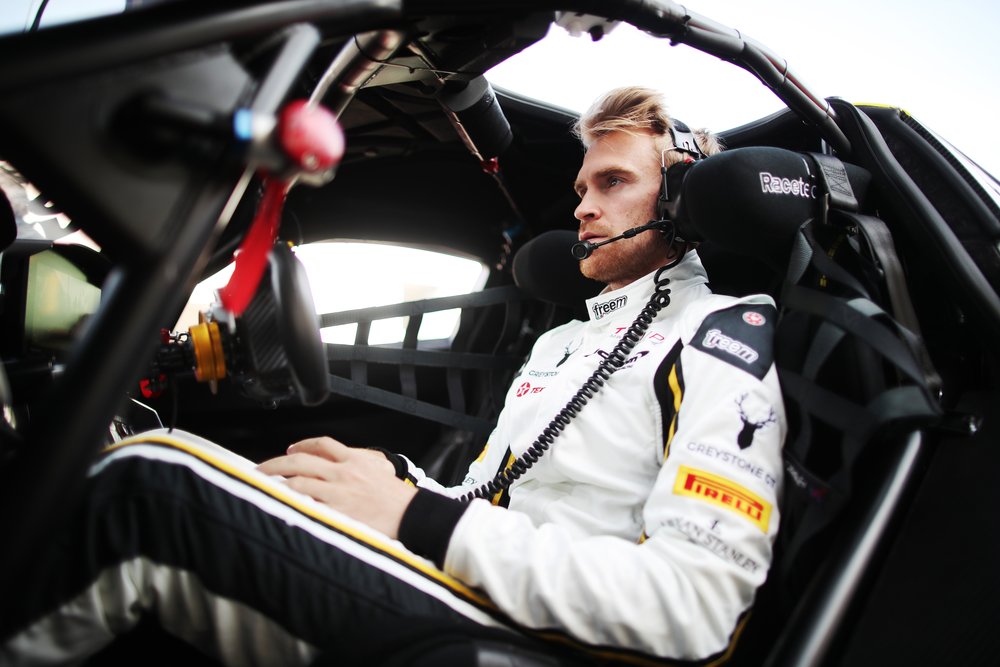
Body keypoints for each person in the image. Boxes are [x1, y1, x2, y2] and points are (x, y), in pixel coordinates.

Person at [0, 86, 785, 666]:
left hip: (544, 647)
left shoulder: (719, 333)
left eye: (612, 182)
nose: (582, 207)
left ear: (680, 193)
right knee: (210, 453)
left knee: (150, 484)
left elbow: (699, 608)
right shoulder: (564, 346)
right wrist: (388, 481)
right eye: (581, 188)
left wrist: (417, 517)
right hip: (482, 603)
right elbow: (490, 501)